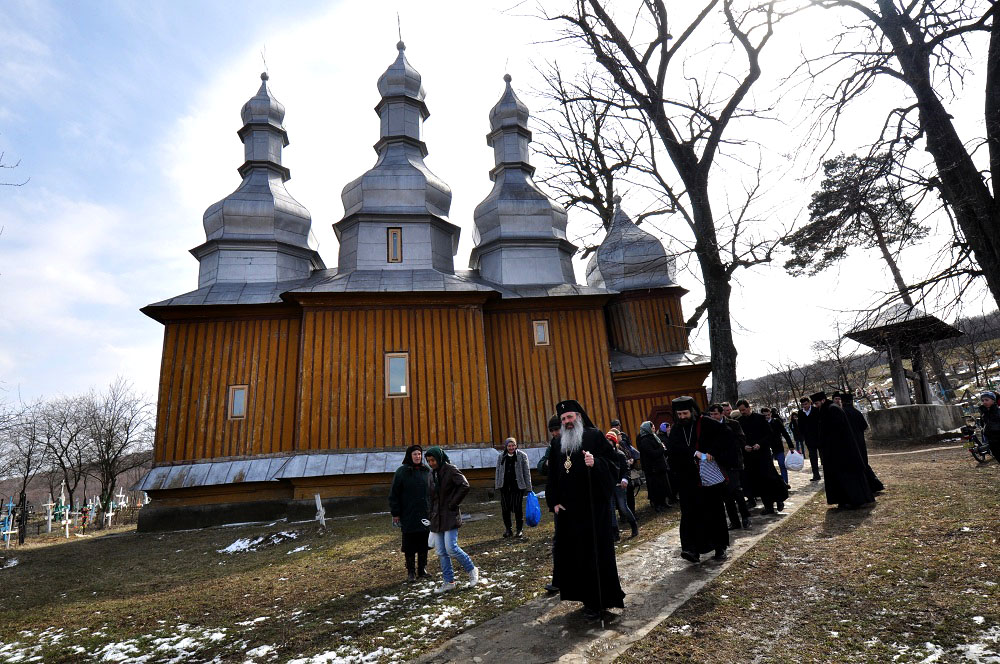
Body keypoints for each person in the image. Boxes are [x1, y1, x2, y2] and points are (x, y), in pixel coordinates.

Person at [545, 399, 626, 620]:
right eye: (563, 419)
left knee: (594, 556)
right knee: (576, 556)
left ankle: (599, 601)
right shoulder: (557, 443)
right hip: (569, 512)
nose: (567, 422)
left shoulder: (594, 436)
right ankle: (583, 597)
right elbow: (552, 475)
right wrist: (553, 502)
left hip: (593, 509)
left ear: (578, 417)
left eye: (570, 417)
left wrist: (596, 463)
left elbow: (614, 465)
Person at [666, 396, 733, 563]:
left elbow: (726, 437)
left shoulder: (706, 423)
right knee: (690, 514)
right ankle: (692, 549)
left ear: (692, 411)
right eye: (679, 414)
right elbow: (673, 451)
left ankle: (720, 548)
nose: (682, 417)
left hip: (708, 480)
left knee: (714, 512)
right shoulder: (675, 430)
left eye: (685, 413)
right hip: (688, 480)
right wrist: (691, 454)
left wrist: (712, 451)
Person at [425, 446, 480, 593]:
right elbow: (430, 496)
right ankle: (448, 581)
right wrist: (430, 513)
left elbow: (464, 485)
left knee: (451, 548)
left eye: (433, 460)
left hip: (449, 515)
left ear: (439, 458)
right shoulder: (431, 474)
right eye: (429, 461)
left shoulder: (450, 469)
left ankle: (472, 570)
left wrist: (452, 503)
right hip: (437, 517)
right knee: (441, 551)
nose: (431, 463)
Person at [810, 392, 875, 510]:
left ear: (823, 400)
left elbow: (836, 431)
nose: (816, 406)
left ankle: (855, 500)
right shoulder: (829, 409)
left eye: (817, 403)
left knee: (848, 477)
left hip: (842, 451)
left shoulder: (832, 409)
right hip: (836, 451)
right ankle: (845, 500)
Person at [389, 445, 432, 582]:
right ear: (409, 456)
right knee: (409, 543)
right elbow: (394, 494)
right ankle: (411, 572)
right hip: (408, 514)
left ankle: (422, 569)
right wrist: (396, 513)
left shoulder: (427, 471)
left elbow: (432, 491)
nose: (417, 456)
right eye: (415, 454)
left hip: (425, 513)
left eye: (419, 454)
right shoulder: (402, 472)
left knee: (424, 541)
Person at [736, 400, 788, 514]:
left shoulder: (760, 418)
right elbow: (739, 439)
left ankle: (778, 499)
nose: (742, 412)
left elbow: (769, 434)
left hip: (763, 454)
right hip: (750, 457)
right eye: (740, 411)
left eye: (744, 410)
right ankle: (768, 506)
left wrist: (760, 444)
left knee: (770, 478)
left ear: (749, 407)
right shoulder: (739, 422)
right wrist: (744, 446)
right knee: (759, 482)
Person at [709, 403, 750, 530]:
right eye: (711, 415)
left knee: (736, 490)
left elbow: (741, 440)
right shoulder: (709, 427)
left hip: (733, 462)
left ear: (722, 414)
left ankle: (745, 517)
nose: (713, 417)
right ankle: (734, 521)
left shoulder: (733, 424)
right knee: (726, 494)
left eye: (715, 414)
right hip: (719, 464)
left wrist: (726, 445)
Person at [836, 390, 884, 493]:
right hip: (860, 441)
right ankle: (873, 485)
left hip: (849, 443)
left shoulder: (842, 413)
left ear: (842, 402)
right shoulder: (857, 412)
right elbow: (864, 426)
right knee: (864, 463)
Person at [495, 436, 533, 538]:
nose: (511, 447)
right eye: (509, 446)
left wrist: (529, 488)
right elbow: (498, 471)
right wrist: (498, 484)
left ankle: (519, 530)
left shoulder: (522, 456)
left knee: (517, 508)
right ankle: (508, 530)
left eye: (513, 445)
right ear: (506, 446)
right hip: (505, 487)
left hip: (517, 487)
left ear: (516, 446)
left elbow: (526, 472)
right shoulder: (501, 456)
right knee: (505, 508)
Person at [606, 430, 639, 540]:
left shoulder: (619, 454)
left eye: (609, 441)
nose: (607, 443)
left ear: (613, 441)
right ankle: (615, 533)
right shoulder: (604, 455)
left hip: (619, 485)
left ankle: (634, 525)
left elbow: (626, 469)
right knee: (610, 510)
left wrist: (625, 479)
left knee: (623, 507)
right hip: (609, 486)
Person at [543, 414, 561, 594]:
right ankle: (558, 580)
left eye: (557, 429)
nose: (555, 433)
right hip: (559, 504)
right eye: (553, 430)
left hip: (574, 502)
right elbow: (543, 467)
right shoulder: (552, 446)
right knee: (559, 542)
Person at [637, 421, 670, 511]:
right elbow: (652, 453)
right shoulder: (645, 440)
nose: (654, 428)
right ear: (647, 429)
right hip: (653, 468)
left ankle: (664, 502)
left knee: (663, 485)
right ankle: (657, 505)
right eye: (652, 427)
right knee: (656, 487)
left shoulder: (654, 437)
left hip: (659, 467)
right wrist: (662, 448)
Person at [762, 407, 793, 487]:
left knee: (782, 465)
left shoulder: (776, 421)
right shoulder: (761, 423)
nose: (767, 417)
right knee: (769, 467)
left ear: (771, 414)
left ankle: (785, 483)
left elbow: (784, 433)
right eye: (765, 415)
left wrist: (790, 445)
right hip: (766, 448)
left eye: (768, 415)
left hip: (778, 446)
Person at [797, 396, 823, 481]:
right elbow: (800, 426)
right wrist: (802, 436)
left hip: (819, 437)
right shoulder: (801, 413)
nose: (805, 406)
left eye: (806, 404)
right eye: (803, 405)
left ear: (809, 402)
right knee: (813, 458)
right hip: (809, 439)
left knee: (823, 456)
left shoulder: (816, 410)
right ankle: (816, 475)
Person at [980, 391, 1000, 461]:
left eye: (987, 400)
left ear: (993, 400)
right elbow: (983, 425)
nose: (984, 402)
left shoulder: (998, 411)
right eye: (983, 400)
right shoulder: (984, 413)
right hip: (992, 442)